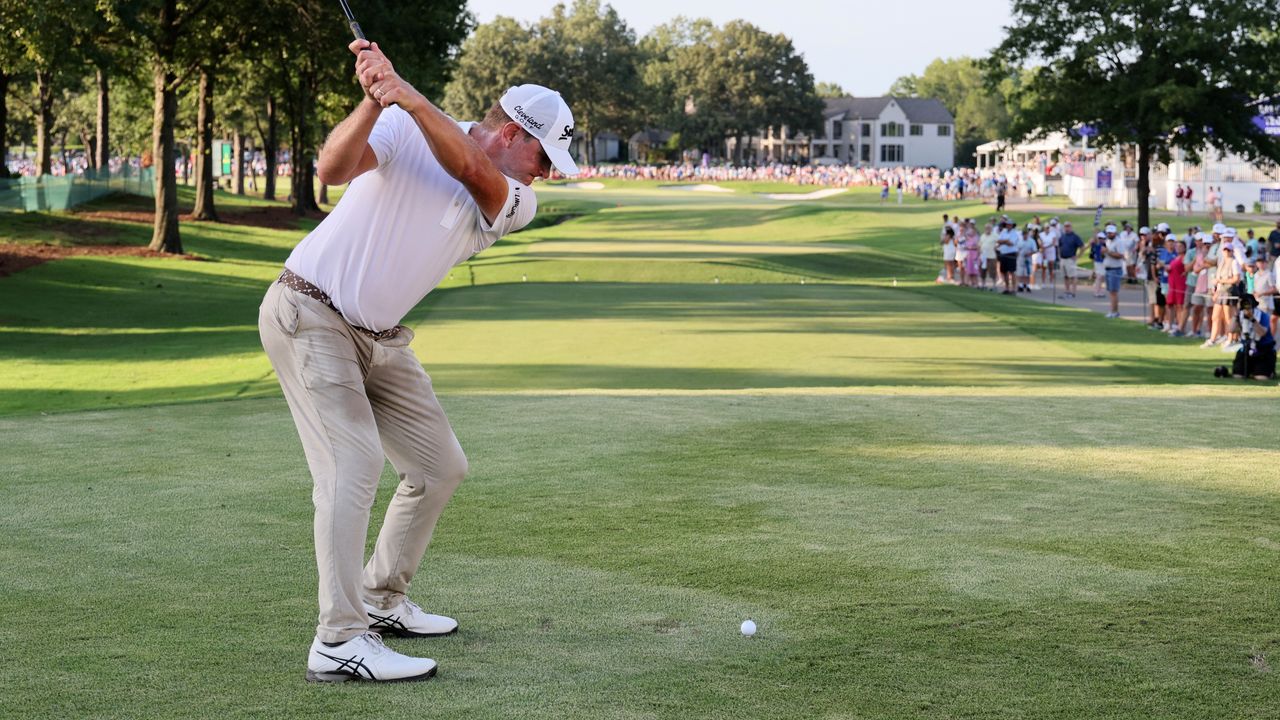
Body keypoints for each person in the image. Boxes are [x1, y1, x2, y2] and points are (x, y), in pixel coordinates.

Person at [258, 39, 577, 683]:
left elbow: (471, 172)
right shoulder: (403, 122)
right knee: (355, 463)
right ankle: (339, 638)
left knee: (439, 468)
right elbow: (331, 169)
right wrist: (375, 102)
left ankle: (381, 602)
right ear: (514, 133)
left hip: (381, 338)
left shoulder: (514, 196)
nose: (547, 171)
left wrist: (404, 91)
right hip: (309, 313)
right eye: (545, 156)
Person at [1229, 298, 1276, 379]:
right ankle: (1251, 370)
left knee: (1261, 378)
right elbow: (1231, 330)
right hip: (1246, 349)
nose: (1245, 307)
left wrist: (1252, 318)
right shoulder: (1239, 315)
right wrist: (1236, 315)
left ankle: (1268, 371)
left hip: (1263, 350)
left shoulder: (1262, 315)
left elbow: (1262, 333)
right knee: (1237, 376)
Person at [1102, 224, 1128, 318]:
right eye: (1108, 233)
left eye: (1111, 233)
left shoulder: (1119, 242)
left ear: (1115, 233)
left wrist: (1108, 252)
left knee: (1114, 292)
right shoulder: (1107, 241)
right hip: (1108, 268)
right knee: (1110, 291)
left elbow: (1120, 255)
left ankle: (1115, 311)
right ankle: (1112, 310)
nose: (1109, 234)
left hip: (1115, 269)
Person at [1166, 239, 1188, 336]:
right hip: (1172, 283)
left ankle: (1180, 326)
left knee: (1180, 306)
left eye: (1180, 246)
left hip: (1180, 284)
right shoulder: (1175, 257)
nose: (1178, 248)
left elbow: (1186, 269)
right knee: (1171, 305)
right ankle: (1171, 325)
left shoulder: (1184, 258)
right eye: (1177, 246)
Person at [1058, 221, 1084, 298]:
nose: (1067, 228)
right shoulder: (1062, 236)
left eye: (1068, 226)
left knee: (1072, 276)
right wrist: (1059, 256)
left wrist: (1078, 256)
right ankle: (1067, 290)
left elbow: (1082, 247)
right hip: (1063, 259)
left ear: (1071, 227)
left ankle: (1073, 292)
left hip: (1070, 259)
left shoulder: (1075, 237)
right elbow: (1060, 246)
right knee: (1065, 276)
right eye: (1066, 226)